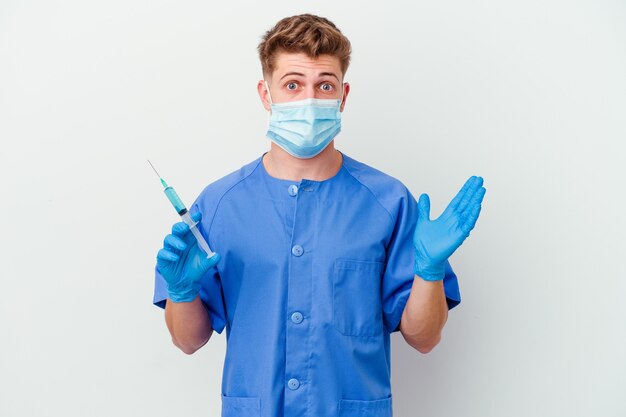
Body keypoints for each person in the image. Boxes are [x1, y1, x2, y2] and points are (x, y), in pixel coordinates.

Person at [153, 13, 486, 417]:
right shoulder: (221, 204)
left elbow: (424, 337)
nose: (309, 100)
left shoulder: (388, 202)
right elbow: (189, 341)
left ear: (343, 96)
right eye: (292, 85)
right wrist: (182, 292)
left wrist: (429, 270)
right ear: (265, 93)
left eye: (324, 85)